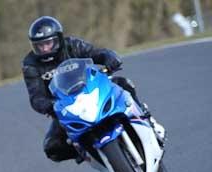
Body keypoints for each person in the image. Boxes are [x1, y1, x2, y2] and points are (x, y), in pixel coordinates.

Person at [22, 16, 165, 163]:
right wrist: (48, 105)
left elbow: (96, 53)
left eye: (48, 43)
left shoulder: (72, 45)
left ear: (58, 39)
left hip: (91, 90)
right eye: (40, 46)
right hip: (64, 106)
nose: (44, 49)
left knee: (123, 83)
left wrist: (109, 58)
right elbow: (35, 96)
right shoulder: (30, 64)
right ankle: (85, 152)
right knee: (53, 147)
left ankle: (145, 118)